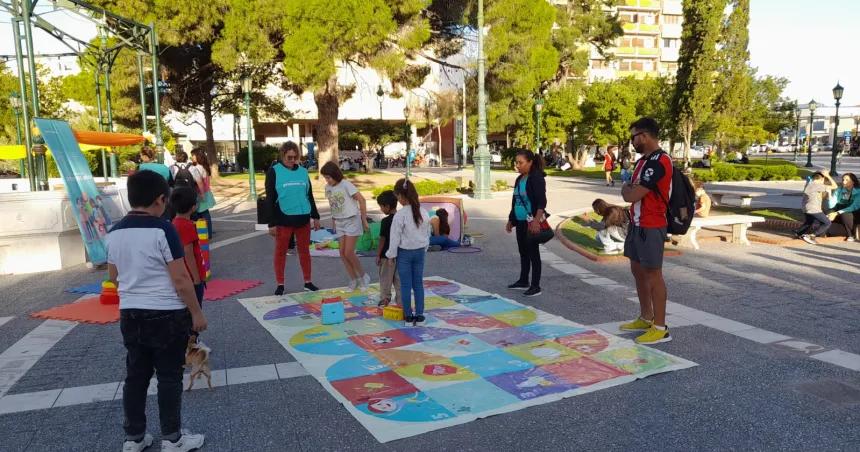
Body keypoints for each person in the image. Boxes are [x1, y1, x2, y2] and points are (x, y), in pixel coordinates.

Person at [107, 170, 206, 452]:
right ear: (161, 199)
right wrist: (197, 313)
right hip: (166, 314)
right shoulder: (164, 230)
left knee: (135, 375)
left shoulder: (115, 232)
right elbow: (181, 279)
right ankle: (173, 438)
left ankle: (134, 437)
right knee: (169, 376)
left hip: (130, 313)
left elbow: (113, 277)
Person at [620, 117, 673, 345]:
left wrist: (627, 189)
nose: (631, 141)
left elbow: (631, 194)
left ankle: (660, 328)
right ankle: (645, 316)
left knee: (653, 275)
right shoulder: (643, 162)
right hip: (637, 223)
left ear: (644, 135)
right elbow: (630, 190)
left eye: (633, 137)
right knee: (637, 270)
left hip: (652, 226)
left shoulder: (659, 161)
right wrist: (628, 189)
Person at [265, 142, 321, 295]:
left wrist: (315, 216)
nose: (292, 160)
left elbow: (309, 195)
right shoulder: (274, 171)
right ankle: (280, 284)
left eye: (295, 157)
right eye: (289, 157)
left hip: (303, 218)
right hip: (283, 219)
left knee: (304, 252)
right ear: (282, 156)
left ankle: (308, 282)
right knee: (280, 252)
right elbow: (270, 199)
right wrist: (271, 223)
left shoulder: (303, 172)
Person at [386, 178, 431, 325]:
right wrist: (424, 248)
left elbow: (395, 237)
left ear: (401, 196)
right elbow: (427, 234)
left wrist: (391, 255)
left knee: (405, 285)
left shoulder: (400, 215)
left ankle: (408, 315)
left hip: (404, 253)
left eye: (397, 196)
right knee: (418, 283)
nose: (397, 200)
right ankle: (420, 315)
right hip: (419, 252)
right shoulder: (423, 212)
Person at [320, 161, 370, 291]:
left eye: (328, 177)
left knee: (349, 252)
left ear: (335, 174)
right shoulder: (328, 188)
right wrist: (333, 221)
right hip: (339, 222)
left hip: (351, 220)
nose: (327, 180)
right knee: (342, 253)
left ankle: (364, 276)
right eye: (325, 177)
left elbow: (362, 200)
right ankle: (354, 279)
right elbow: (333, 205)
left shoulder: (346, 185)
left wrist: (364, 220)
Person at [506, 149, 547, 297]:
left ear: (530, 162)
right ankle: (523, 280)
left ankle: (536, 286)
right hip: (521, 221)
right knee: (523, 252)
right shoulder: (520, 179)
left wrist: (536, 221)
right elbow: (515, 200)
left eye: (521, 162)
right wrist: (511, 219)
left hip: (531, 222)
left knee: (533, 253)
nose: (517, 165)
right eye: (516, 162)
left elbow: (542, 202)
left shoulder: (536, 178)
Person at [170, 187, 206, 321]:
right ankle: (192, 339)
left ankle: (189, 338)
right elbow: (188, 253)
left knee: (185, 310)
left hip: (182, 274)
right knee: (194, 310)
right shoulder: (186, 226)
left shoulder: (175, 223)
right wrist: (197, 279)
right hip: (191, 277)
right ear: (193, 207)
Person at [376, 190, 402, 308]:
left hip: (386, 255)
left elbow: (382, 239)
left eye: (381, 207)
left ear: (387, 206)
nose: (381, 209)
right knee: (399, 280)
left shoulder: (385, 221)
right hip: (400, 254)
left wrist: (378, 254)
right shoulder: (401, 218)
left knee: (385, 278)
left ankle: (385, 298)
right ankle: (401, 301)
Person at [794, 172, 834, 244]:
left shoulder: (809, 184)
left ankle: (798, 233)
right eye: (823, 180)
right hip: (813, 208)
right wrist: (828, 176)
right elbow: (834, 186)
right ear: (821, 179)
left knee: (809, 222)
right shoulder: (816, 185)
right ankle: (811, 236)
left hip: (806, 208)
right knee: (827, 223)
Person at [189, 149, 215, 239]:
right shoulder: (204, 166)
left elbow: (199, 183)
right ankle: (208, 232)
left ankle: (207, 233)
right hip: (205, 192)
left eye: (193, 155)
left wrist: (201, 194)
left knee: (203, 214)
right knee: (204, 213)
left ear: (198, 156)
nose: (191, 157)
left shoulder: (198, 167)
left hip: (201, 193)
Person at [827, 172, 860, 242]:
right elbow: (831, 205)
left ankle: (851, 235)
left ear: (853, 182)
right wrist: (829, 194)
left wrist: (836, 213)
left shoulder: (858, 192)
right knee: (827, 212)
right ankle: (822, 232)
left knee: (845, 214)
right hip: (840, 209)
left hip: (855, 212)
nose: (844, 182)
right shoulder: (839, 190)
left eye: (847, 180)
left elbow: (854, 207)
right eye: (843, 180)